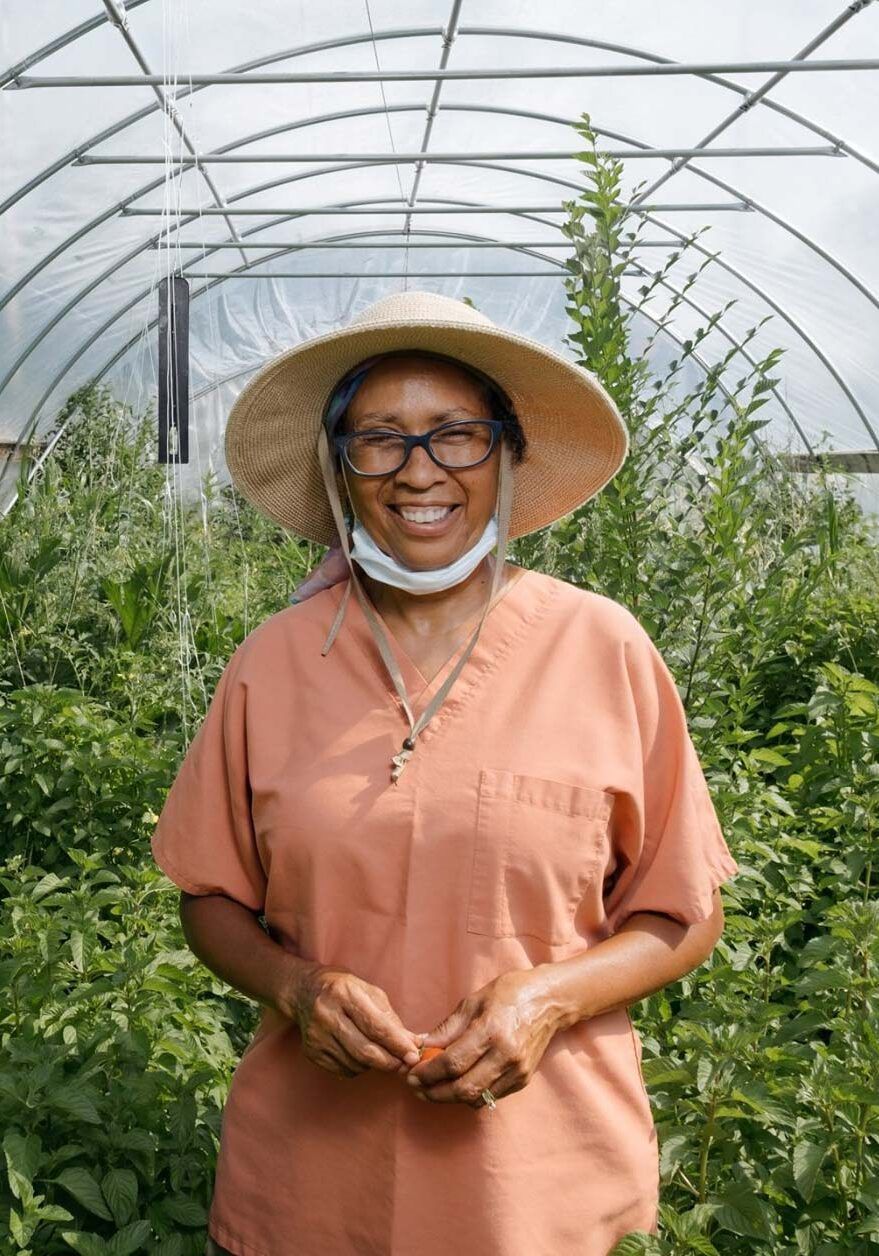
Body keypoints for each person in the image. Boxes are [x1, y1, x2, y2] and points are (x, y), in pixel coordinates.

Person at [151, 290, 739, 1256]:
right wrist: (298, 989)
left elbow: (680, 913)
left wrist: (548, 998)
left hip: (542, 1195)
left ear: (506, 455)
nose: (418, 471)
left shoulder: (601, 647)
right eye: (377, 439)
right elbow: (210, 897)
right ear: (339, 472)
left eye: (455, 435)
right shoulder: (278, 660)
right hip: (309, 1191)